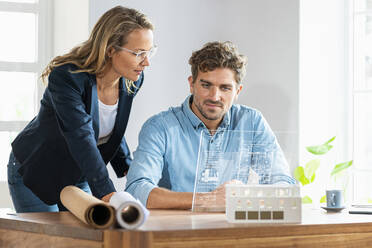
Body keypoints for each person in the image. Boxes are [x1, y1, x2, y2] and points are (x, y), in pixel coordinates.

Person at [7, 6, 157, 213]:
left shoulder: (132, 80)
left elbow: (108, 124)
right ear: (110, 49)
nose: (146, 62)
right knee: (49, 243)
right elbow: (81, 134)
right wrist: (108, 193)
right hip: (37, 169)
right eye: (138, 53)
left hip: (79, 171)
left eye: (149, 52)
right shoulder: (67, 77)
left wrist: (127, 167)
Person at [125, 41, 295, 210]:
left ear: (238, 91)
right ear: (191, 84)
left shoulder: (252, 122)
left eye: (225, 88)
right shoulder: (159, 127)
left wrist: (249, 196)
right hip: (178, 231)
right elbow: (137, 190)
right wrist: (208, 200)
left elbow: (283, 182)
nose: (214, 97)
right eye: (206, 85)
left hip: (232, 230)